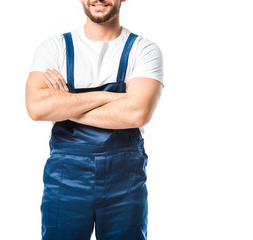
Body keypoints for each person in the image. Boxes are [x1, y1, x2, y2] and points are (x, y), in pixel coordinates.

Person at [25, 0, 163, 239]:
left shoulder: (143, 49)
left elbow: (137, 113)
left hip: (125, 182)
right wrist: (108, 97)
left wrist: (65, 102)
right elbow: (37, 108)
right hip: (65, 180)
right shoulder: (55, 47)